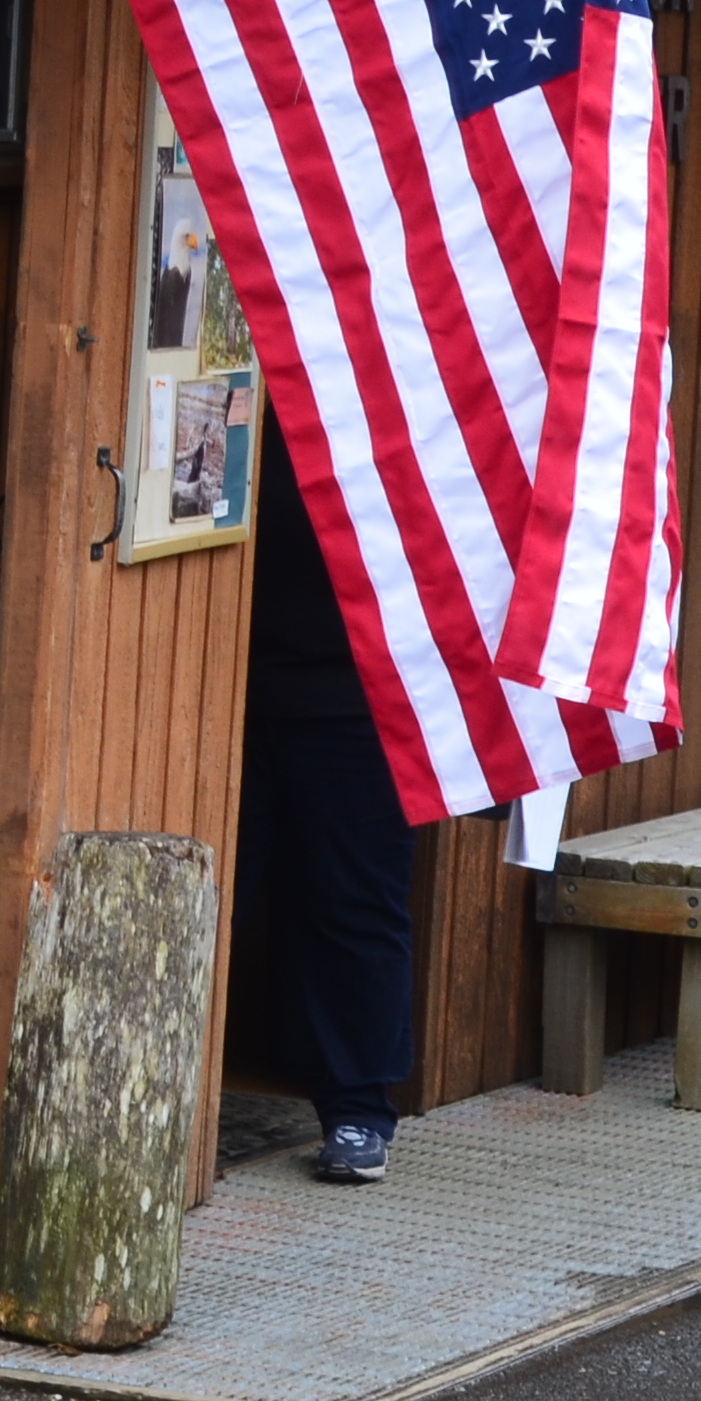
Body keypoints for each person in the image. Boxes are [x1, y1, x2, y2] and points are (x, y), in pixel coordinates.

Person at [236, 472, 422, 1185]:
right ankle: (167, 1099)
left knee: (356, 903)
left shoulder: (398, 395)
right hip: (224, 683)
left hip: (362, 701)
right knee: (214, 897)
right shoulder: (255, 386)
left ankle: (359, 1110)